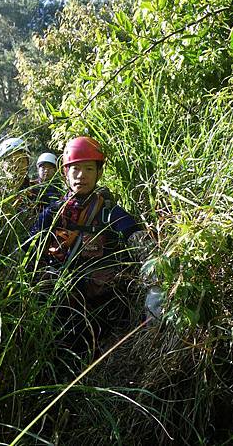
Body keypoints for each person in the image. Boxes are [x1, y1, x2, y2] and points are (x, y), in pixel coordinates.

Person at [29, 136, 143, 354]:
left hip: (99, 307)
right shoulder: (54, 211)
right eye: (75, 169)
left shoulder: (108, 211)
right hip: (59, 303)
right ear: (65, 173)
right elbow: (29, 244)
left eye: (89, 169)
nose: (81, 175)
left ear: (99, 173)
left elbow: (134, 234)